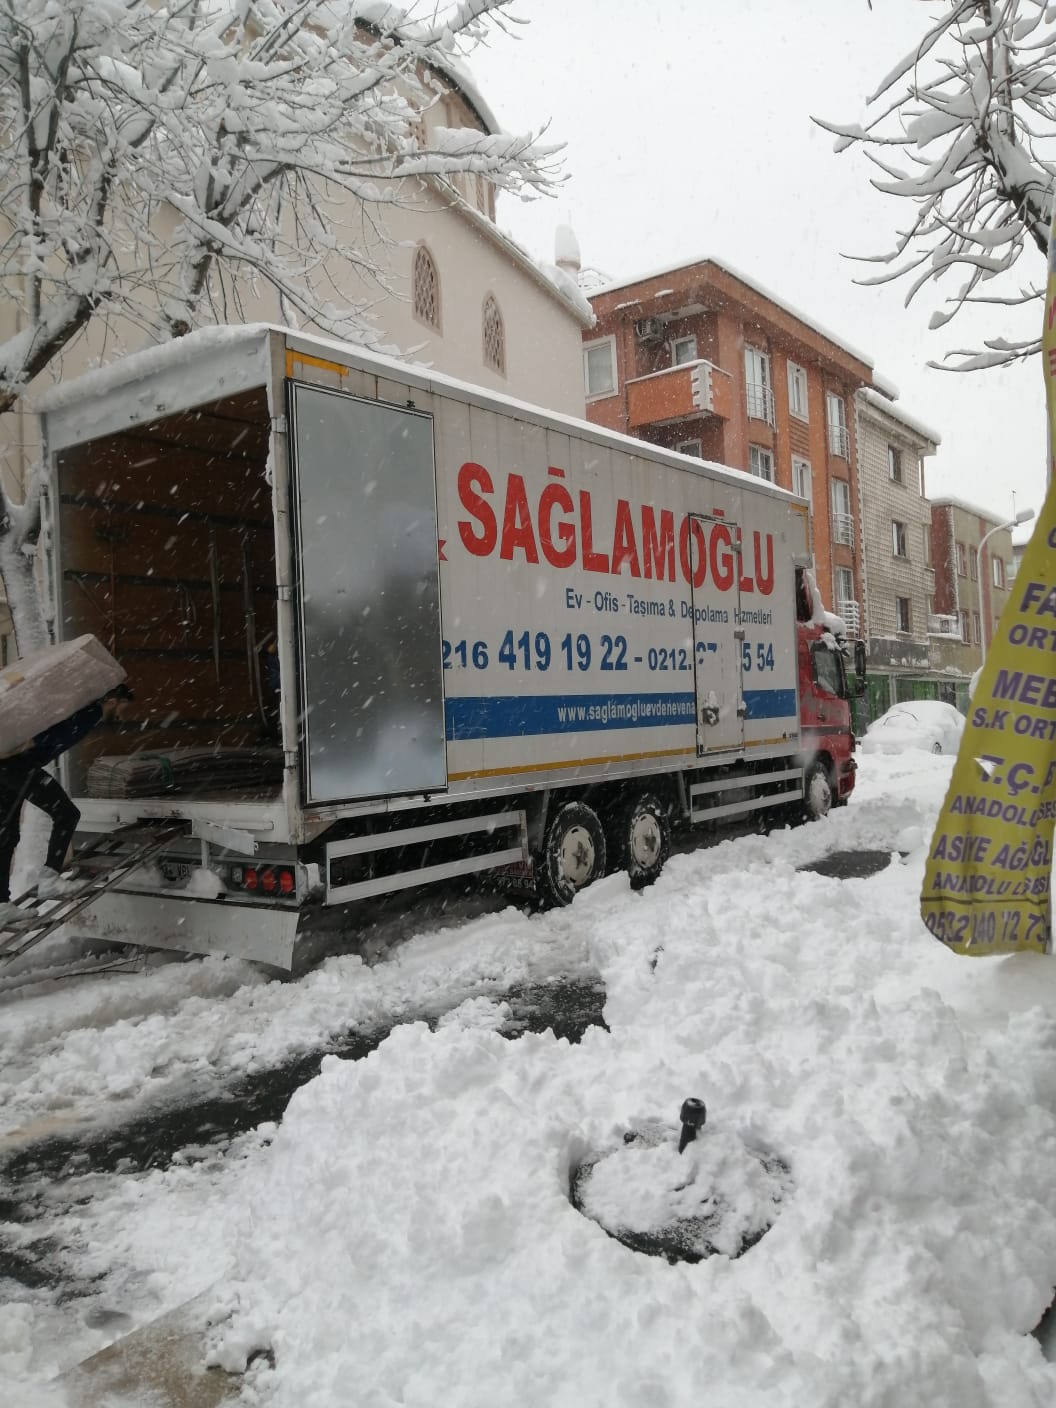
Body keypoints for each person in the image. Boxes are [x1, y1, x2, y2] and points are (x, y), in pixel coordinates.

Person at [0, 683, 133, 923]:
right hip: (18, 764)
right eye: (124, 706)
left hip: (6, 768)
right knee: (66, 814)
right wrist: (20, 746)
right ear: (112, 702)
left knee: (6, 834)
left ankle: (0, 906)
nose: (124, 714)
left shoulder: (78, 709)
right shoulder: (89, 714)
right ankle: (49, 879)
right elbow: (52, 733)